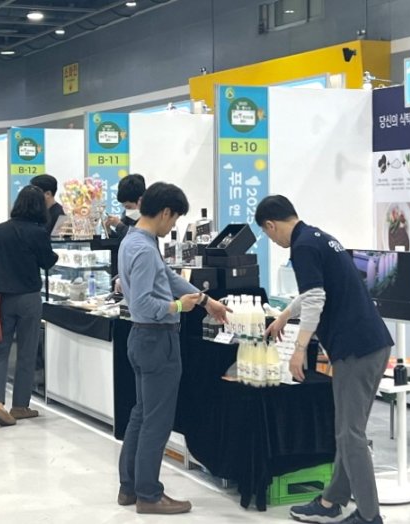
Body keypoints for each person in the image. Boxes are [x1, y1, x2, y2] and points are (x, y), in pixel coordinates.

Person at [256, 195, 393, 524]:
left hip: (356, 349)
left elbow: (316, 298)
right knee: (347, 430)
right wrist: (284, 316)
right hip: (371, 343)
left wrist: (299, 348)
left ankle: (369, 515)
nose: (273, 241)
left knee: (350, 434)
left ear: (271, 225)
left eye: (268, 235)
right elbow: (314, 292)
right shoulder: (318, 237)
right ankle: (332, 500)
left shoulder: (302, 247)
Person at [116, 182, 229, 515]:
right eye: (176, 218)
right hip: (157, 340)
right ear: (165, 212)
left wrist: (206, 300)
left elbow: (166, 277)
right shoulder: (144, 249)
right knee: (157, 421)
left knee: (142, 414)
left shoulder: (135, 241)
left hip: (142, 339)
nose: (174, 225)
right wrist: (180, 307)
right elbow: (143, 304)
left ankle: (130, 487)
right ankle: (149, 494)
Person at [0, 185, 58, 426]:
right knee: (27, 351)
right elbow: (47, 261)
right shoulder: (38, 232)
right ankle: (20, 406)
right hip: (29, 297)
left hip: (0, 298)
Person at [105, 174, 145, 239]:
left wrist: (119, 226)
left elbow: (139, 239)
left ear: (140, 200)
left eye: (129, 207)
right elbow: (121, 240)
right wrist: (108, 230)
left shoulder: (150, 218)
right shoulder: (128, 215)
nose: (127, 211)